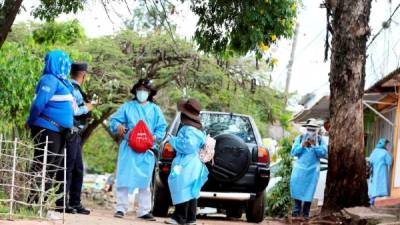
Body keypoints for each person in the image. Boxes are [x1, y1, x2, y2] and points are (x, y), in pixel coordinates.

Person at [110, 79, 167, 220]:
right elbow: (114, 121)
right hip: (129, 147)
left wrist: (154, 137)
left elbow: (161, 128)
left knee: (145, 180)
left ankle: (143, 211)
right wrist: (118, 127)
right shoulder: (127, 107)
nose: (142, 92)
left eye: (145, 90)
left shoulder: (155, 109)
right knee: (123, 178)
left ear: (150, 93)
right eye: (139, 89)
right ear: (135, 91)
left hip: (147, 149)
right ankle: (121, 208)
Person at [26, 50, 73, 204]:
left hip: (59, 132)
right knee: (42, 165)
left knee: (52, 168)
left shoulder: (63, 82)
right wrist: (31, 120)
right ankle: (33, 203)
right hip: (47, 129)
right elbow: (38, 104)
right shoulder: (49, 79)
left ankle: (42, 205)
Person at [55, 62, 93, 214]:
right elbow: (72, 110)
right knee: (68, 168)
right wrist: (87, 108)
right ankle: (61, 203)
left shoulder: (73, 87)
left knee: (77, 169)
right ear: (84, 75)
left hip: (75, 133)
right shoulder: (72, 88)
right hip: (70, 132)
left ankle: (75, 203)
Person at [165, 99, 208, 225]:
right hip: (196, 163)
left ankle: (179, 217)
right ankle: (191, 218)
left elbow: (187, 146)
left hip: (187, 163)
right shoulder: (199, 130)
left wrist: (173, 141)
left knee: (181, 187)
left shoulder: (189, 130)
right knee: (192, 190)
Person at [290, 118, 328, 219]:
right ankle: (296, 213)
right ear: (306, 128)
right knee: (297, 189)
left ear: (317, 129)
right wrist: (302, 145)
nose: (311, 131)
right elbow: (293, 152)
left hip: (312, 171)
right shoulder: (300, 138)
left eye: (313, 129)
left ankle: (306, 215)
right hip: (299, 169)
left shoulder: (320, 140)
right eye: (309, 128)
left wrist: (315, 145)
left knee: (309, 191)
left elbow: (324, 153)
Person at [368, 138, 393, 206]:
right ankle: (376, 202)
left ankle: (371, 201)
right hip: (381, 173)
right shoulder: (385, 152)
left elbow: (370, 160)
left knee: (373, 188)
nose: (388, 146)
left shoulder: (374, 151)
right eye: (387, 144)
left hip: (373, 172)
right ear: (384, 144)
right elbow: (389, 162)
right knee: (380, 187)